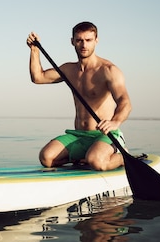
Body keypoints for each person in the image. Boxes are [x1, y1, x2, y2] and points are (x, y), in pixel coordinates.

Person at [26, 21, 131, 170]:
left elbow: (125, 102)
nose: (84, 45)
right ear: (72, 42)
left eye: (88, 40)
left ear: (96, 41)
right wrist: (34, 50)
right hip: (79, 135)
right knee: (46, 158)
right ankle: (84, 158)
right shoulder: (69, 70)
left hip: (105, 135)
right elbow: (38, 77)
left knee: (97, 162)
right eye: (79, 40)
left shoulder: (108, 70)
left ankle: (121, 156)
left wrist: (115, 122)